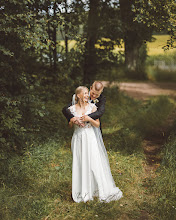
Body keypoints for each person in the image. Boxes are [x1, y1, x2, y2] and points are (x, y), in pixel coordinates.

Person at [68, 86, 123, 203]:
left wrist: (88, 118)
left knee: (93, 162)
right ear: (78, 96)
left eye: (88, 93)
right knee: (80, 162)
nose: (88, 95)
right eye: (85, 93)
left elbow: (97, 124)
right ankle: (83, 191)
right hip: (78, 138)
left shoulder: (92, 107)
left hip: (90, 137)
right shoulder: (72, 109)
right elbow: (69, 125)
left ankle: (100, 189)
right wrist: (73, 121)